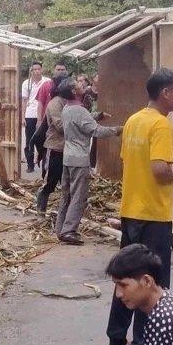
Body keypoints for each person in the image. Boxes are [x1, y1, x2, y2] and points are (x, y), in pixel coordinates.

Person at [106, 68, 173, 345]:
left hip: (131, 210)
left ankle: (116, 339)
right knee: (150, 280)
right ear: (166, 93)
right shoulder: (162, 126)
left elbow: (129, 161)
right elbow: (159, 170)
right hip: (153, 214)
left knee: (125, 274)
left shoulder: (134, 121)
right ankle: (144, 342)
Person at [57, 79, 122, 244]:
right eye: (77, 84)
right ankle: (69, 230)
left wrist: (97, 116)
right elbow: (96, 130)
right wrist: (119, 130)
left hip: (68, 158)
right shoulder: (79, 111)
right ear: (74, 92)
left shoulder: (68, 108)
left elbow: (81, 119)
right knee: (79, 196)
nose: (81, 84)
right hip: (79, 159)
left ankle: (61, 227)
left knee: (67, 195)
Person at [35, 76, 69, 213]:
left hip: (67, 150)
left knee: (67, 185)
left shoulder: (68, 102)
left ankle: (64, 213)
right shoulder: (56, 103)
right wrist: (78, 126)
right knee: (49, 183)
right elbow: (60, 125)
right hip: (55, 148)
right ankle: (40, 211)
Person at [32, 61, 70, 175]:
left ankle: (58, 178)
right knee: (46, 148)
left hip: (63, 121)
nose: (60, 72)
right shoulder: (47, 85)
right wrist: (39, 120)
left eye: (63, 69)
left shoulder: (68, 86)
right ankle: (46, 174)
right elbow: (40, 103)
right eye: (58, 69)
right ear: (53, 71)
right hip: (48, 122)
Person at [21, 62, 48, 174]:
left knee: (43, 141)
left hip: (44, 115)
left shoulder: (47, 82)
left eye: (38, 69)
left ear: (42, 70)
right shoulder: (26, 83)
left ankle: (43, 164)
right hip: (30, 115)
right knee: (29, 141)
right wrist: (23, 117)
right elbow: (24, 100)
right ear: (31, 71)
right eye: (34, 69)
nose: (36, 71)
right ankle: (30, 165)